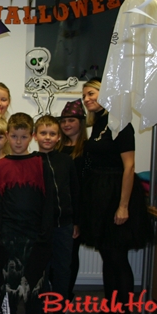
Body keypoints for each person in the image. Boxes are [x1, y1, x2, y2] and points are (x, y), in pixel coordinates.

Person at [80, 78, 151, 314]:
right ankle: (110, 310)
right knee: (107, 256)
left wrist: (123, 206)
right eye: (85, 96)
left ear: (106, 93)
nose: (87, 99)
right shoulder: (99, 123)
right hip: (99, 198)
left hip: (117, 197)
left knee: (118, 259)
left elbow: (129, 167)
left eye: (92, 93)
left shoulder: (122, 124)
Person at [0, 113, 54, 314]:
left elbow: (49, 203)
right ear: (7, 135)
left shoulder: (41, 164)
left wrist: (44, 235)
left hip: (34, 236)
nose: (18, 141)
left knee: (35, 284)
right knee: (8, 287)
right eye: (14, 136)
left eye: (23, 137)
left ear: (32, 137)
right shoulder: (0, 166)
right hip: (8, 236)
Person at [34, 115, 79, 314]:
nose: (48, 137)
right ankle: (41, 313)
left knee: (63, 269)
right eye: (43, 133)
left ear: (59, 137)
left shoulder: (66, 161)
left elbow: (74, 191)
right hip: (40, 228)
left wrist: (76, 221)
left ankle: (59, 312)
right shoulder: (31, 161)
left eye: (52, 134)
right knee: (41, 272)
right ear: (35, 136)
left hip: (64, 225)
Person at [56, 99, 88, 301]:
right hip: (59, 208)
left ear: (81, 123)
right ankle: (55, 293)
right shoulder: (57, 148)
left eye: (71, 120)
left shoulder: (87, 149)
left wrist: (78, 219)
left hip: (77, 208)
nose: (66, 124)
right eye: (64, 121)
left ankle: (66, 294)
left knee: (70, 254)